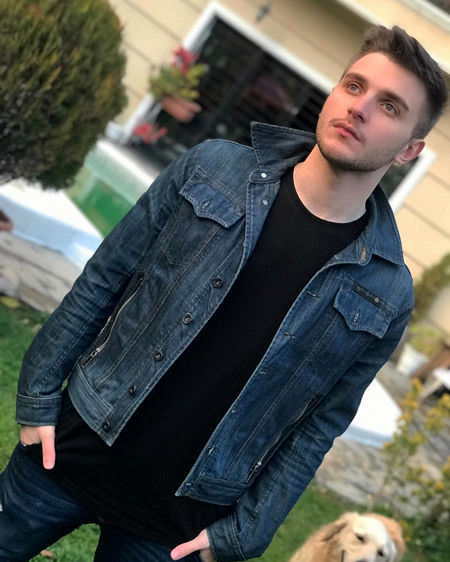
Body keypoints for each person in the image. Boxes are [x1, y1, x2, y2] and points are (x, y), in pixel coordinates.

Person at [0, 25, 447, 562]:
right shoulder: (213, 168)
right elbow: (105, 278)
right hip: (72, 446)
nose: (360, 108)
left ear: (410, 150)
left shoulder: (386, 291)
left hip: (178, 523)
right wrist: (38, 397)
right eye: (354, 86)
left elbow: (319, 425)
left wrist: (245, 534)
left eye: (390, 106)